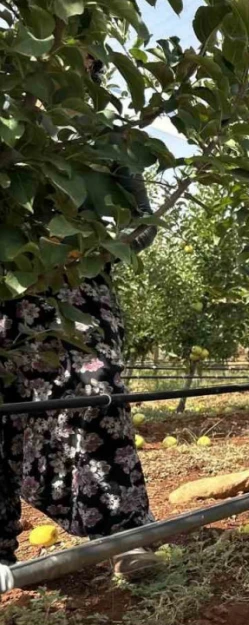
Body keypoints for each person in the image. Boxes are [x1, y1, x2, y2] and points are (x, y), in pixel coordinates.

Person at [0, 56, 161, 579]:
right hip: (10, 290)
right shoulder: (11, 132)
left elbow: (144, 222)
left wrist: (92, 255)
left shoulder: (107, 140)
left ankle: (123, 537)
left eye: (90, 65)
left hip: (80, 291)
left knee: (100, 392)